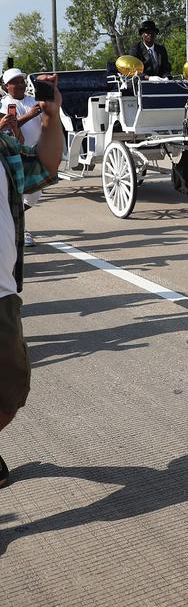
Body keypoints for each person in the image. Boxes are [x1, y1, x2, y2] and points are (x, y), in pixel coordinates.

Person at [1, 73, 63, 488]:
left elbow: (47, 166)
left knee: (12, 387)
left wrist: (51, 118)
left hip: (2, 292)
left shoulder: (4, 145)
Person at [1, 70, 43, 247]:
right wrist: (29, 115)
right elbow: (7, 127)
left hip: (34, 154)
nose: (20, 84)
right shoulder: (4, 105)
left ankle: (13, 218)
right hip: (13, 156)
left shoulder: (33, 102)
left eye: (21, 81)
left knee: (33, 195)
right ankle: (21, 228)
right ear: (6, 86)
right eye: (15, 82)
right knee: (17, 194)